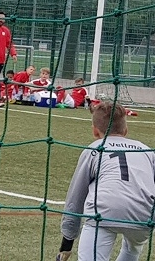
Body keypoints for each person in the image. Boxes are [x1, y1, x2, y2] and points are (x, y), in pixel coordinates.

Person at [56, 101, 155, 261]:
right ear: (126, 130)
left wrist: (67, 243)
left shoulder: (94, 149)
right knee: (132, 249)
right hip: (144, 215)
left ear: (95, 131)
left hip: (103, 211)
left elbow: (76, 198)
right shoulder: (147, 151)